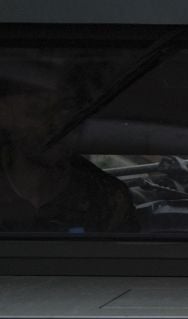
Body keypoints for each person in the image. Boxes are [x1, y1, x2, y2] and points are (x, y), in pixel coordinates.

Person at [0, 57, 139, 234]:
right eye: (37, 111)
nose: (55, 124)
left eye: (65, 108)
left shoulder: (105, 196)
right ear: (5, 116)